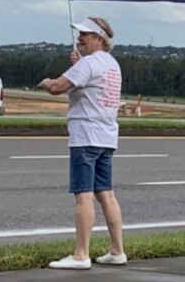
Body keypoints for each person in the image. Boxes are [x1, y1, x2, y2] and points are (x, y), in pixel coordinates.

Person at [37, 17, 126, 269]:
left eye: (85, 34)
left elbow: (57, 87)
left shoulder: (88, 64)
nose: (80, 38)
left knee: (83, 195)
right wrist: (80, 64)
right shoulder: (111, 64)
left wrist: (46, 82)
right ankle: (117, 250)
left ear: (99, 38)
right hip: (107, 136)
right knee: (105, 193)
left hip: (85, 135)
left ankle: (81, 254)